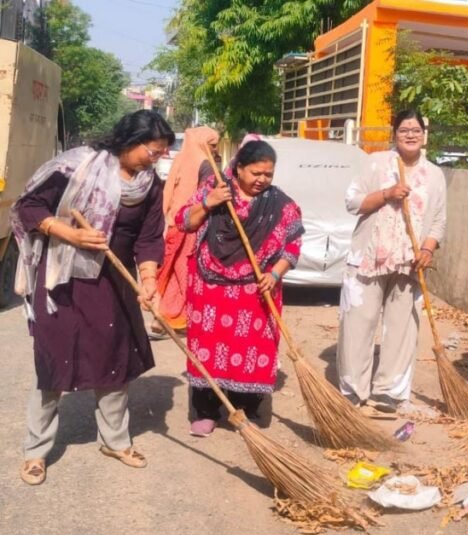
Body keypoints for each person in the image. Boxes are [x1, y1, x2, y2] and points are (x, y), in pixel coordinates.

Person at [12, 110, 175, 485]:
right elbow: (29, 206)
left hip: (113, 281)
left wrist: (148, 278)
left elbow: (149, 237)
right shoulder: (77, 168)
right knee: (53, 361)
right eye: (153, 151)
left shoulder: (150, 185)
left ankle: (114, 441)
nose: (157, 159)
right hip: (63, 281)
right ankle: (35, 451)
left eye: (162, 153)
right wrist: (69, 235)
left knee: (114, 359)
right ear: (130, 142)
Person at [175, 140, 304, 437]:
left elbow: (293, 246)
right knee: (208, 349)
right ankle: (206, 411)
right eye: (255, 173)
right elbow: (184, 222)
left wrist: (274, 273)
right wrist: (209, 202)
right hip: (211, 287)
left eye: (268, 174)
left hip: (255, 290)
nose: (262, 180)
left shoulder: (280, 204)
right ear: (239, 169)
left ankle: (244, 409)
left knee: (250, 350)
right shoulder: (215, 186)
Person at [337, 110, 446, 414]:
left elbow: (438, 221)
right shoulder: (376, 163)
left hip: (409, 262)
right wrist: (387, 193)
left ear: (424, 135)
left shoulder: (435, 175)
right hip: (369, 258)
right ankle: (352, 389)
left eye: (416, 130)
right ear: (394, 134)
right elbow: (353, 202)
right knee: (358, 323)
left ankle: (389, 391)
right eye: (404, 130)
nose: (410, 135)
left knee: (402, 328)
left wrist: (427, 249)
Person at [152, 126, 220, 336]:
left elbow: (168, 189)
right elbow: (207, 197)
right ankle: (179, 316)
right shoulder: (206, 164)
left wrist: (163, 216)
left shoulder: (181, 158)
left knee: (174, 269)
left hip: (174, 221)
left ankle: (166, 316)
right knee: (185, 272)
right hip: (191, 224)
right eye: (213, 144)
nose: (215, 149)